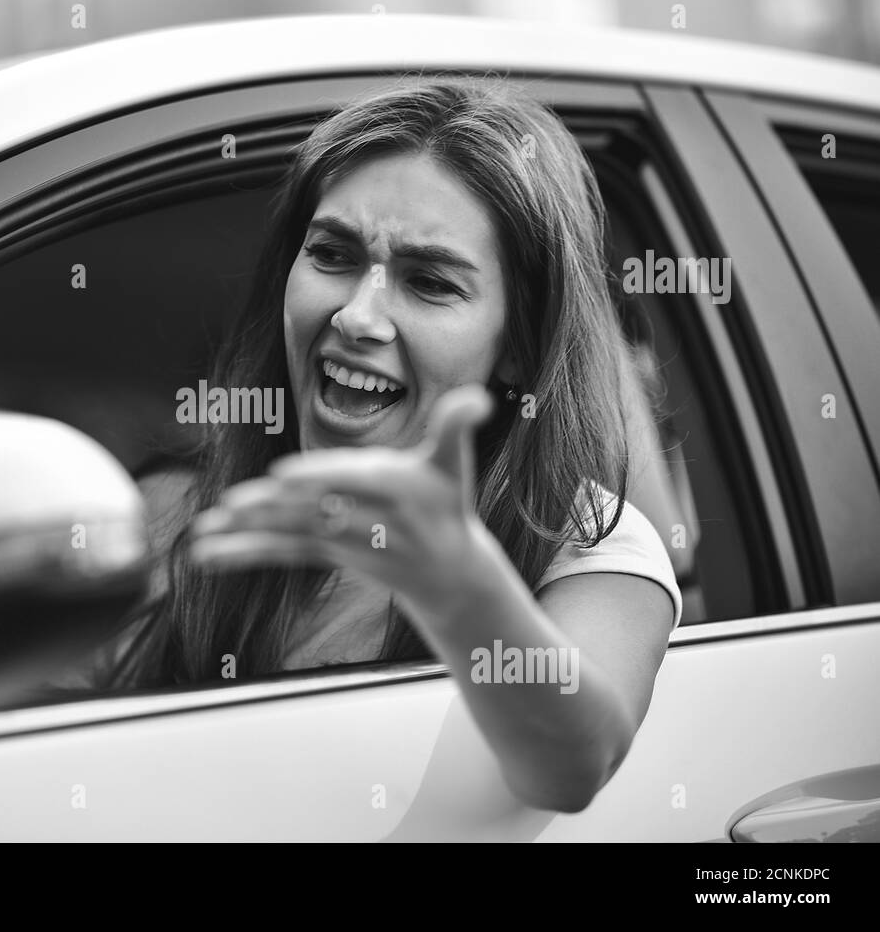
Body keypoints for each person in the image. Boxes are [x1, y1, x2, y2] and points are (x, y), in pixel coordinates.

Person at [79, 79, 680, 813]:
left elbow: (571, 762)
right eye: (333, 253)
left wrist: (455, 582)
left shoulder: (590, 548)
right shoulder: (177, 514)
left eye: (428, 282)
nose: (358, 315)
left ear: (519, 345)